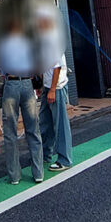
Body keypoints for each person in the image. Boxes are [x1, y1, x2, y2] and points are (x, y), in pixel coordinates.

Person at [0, 17, 44, 185]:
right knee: (33, 128)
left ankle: (14, 175)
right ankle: (38, 173)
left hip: (11, 83)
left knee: (10, 131)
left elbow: (0, 69)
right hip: (27, 84)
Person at [38, 27, 72, 172]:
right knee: (45, 121)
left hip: (56, 87)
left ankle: (65, 160)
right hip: (48, 87)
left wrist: (52, 89)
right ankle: (46, 154)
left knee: (60, 124)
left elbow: (57, 67)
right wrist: (43, 86)